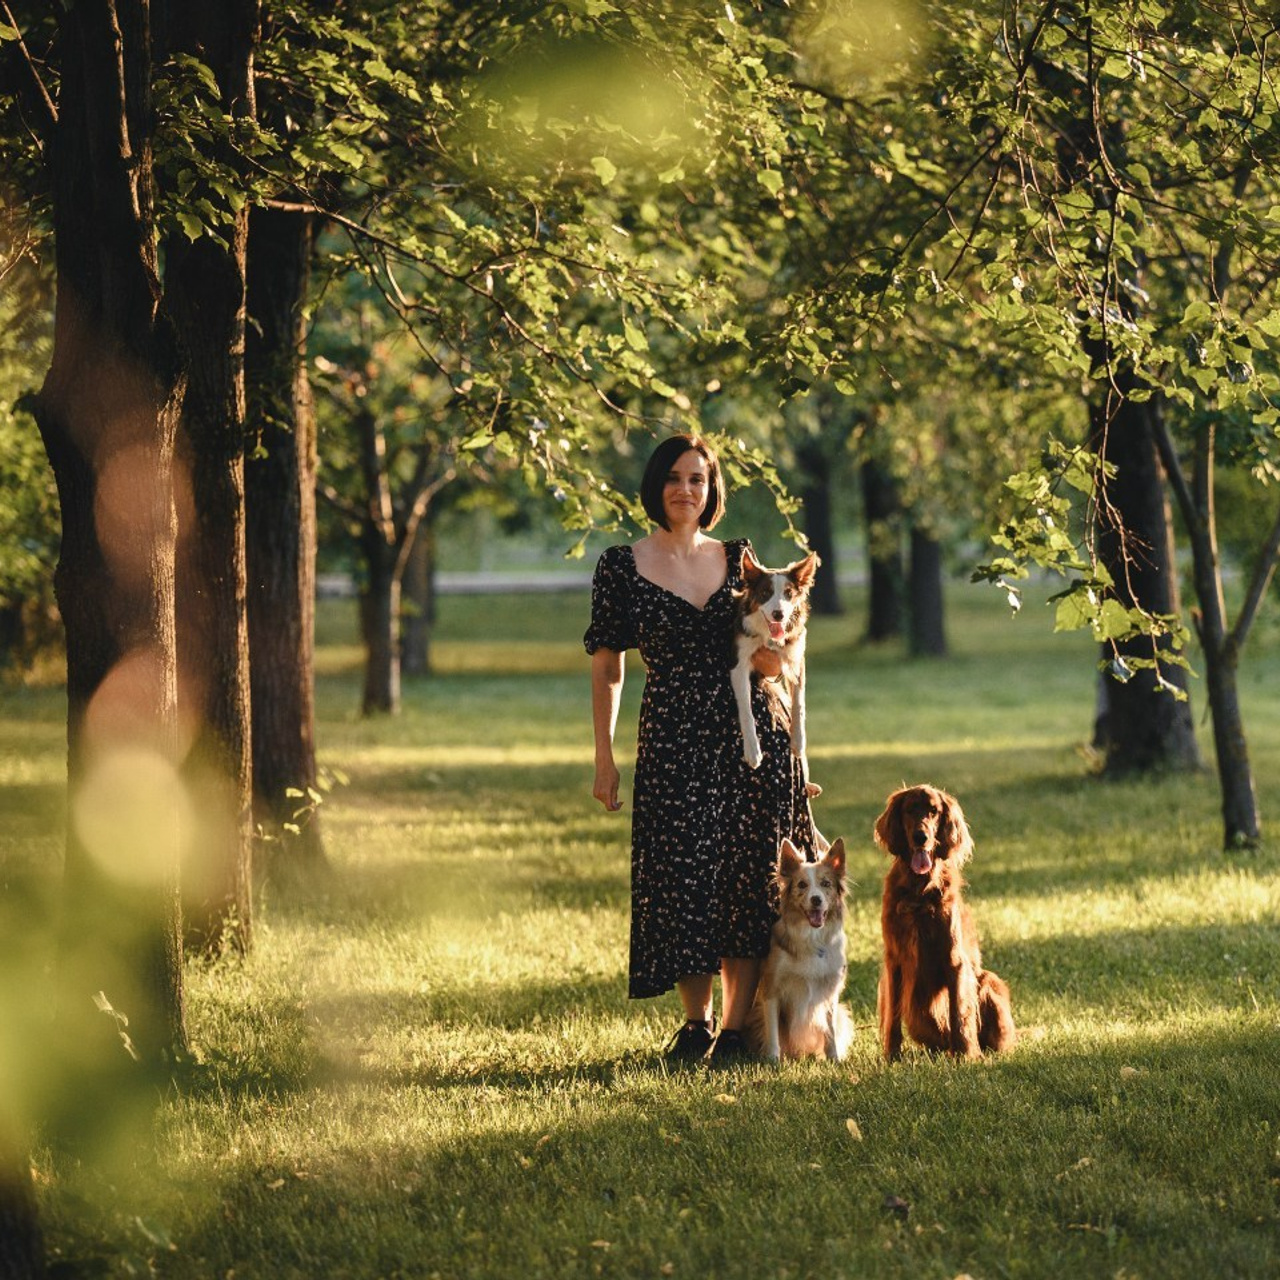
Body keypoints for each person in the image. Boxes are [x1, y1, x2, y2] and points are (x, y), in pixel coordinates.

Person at [585, 434, 816, 1066]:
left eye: (698, 479)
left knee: (747, 879)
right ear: (655, 486)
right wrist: (604, 758)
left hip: (750, 737)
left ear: (711, 491)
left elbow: (783, 633)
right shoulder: (619, 566)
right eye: (675, 478)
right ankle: (696, 1025)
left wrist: (783, 689)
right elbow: (608, 668)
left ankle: (738, 1032)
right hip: (671, 736)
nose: (686, 489)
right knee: (683, 879)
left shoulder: (739, 557)